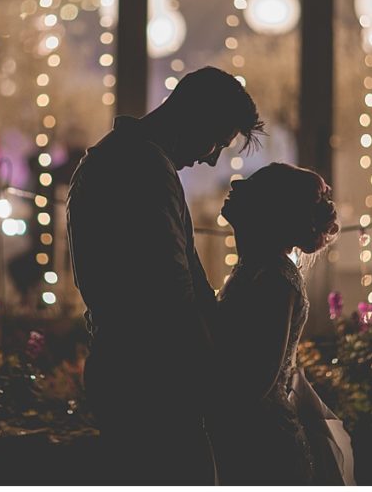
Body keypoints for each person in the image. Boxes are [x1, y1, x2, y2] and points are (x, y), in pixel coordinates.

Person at [66, 66, 264, 484]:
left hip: (122, 364)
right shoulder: (144, 168)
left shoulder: (115, 158)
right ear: (192, 114)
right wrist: (213, 374)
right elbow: (172, 292)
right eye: (216, 141)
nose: (212, 158)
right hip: (152, 376)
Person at [207, 163, 345, 485]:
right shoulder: (254, 268)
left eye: (253, 185)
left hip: (261, 445)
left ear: (269, 211)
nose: (237, 187)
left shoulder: (275, 280)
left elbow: (256, 381)